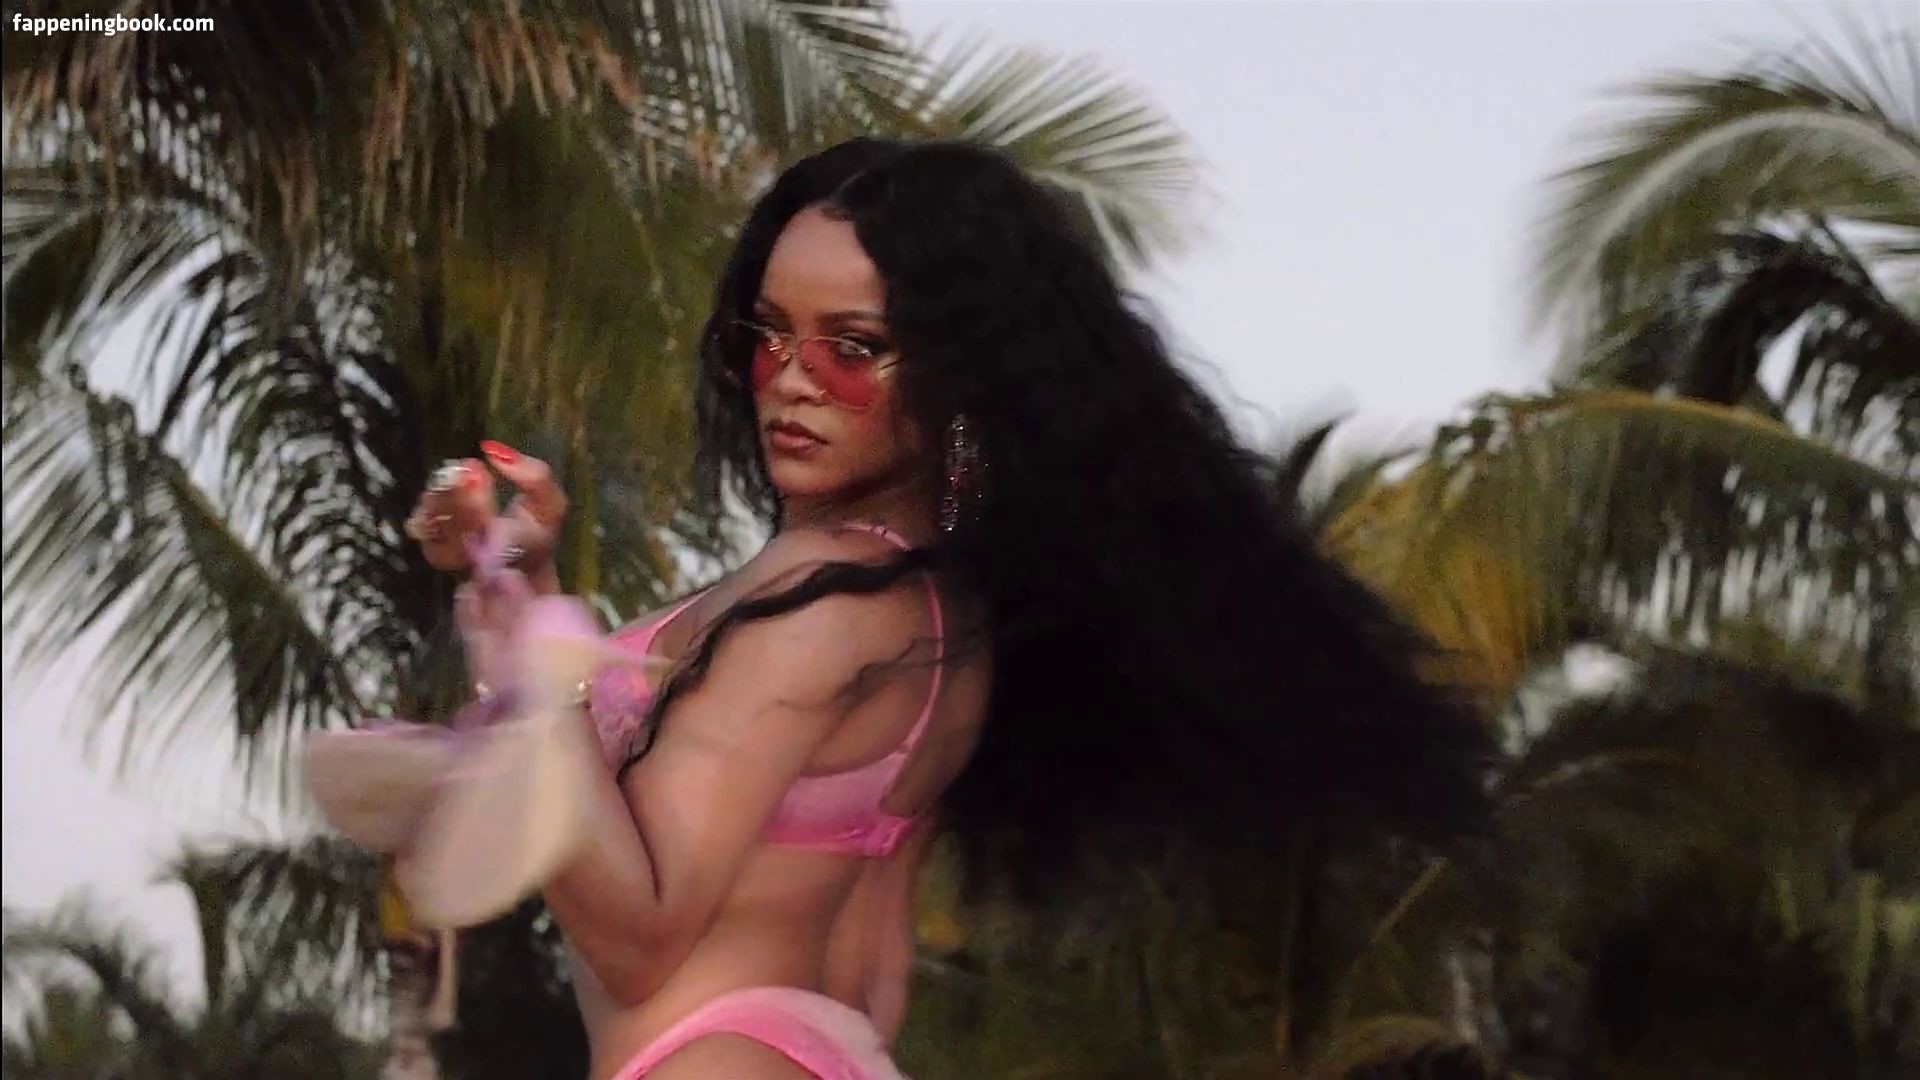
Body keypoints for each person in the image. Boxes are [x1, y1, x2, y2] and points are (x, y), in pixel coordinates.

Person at [310, 138, 1492, 1079]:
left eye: (854, 347)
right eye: (768, 335)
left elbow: (639, 934)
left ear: (959, 379)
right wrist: (525, 595)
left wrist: (542, 663)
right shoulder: (929, 612)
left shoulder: (829, 613)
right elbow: (869, 968)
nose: (792, 381)